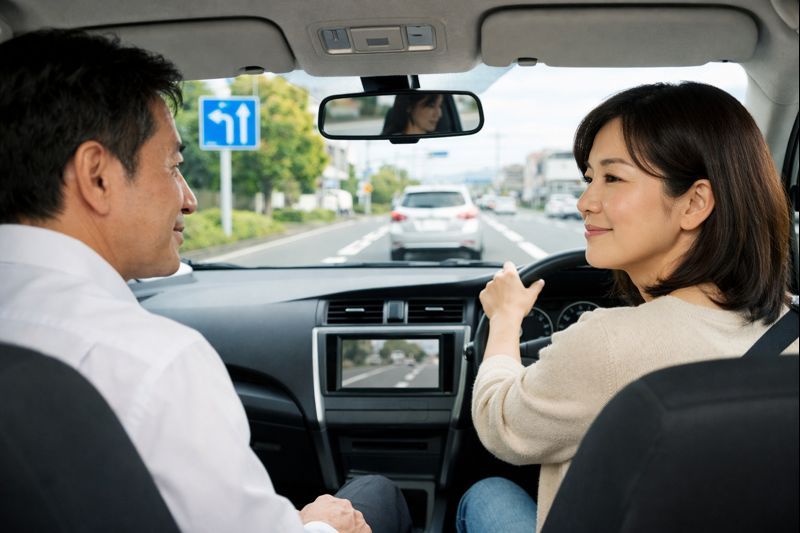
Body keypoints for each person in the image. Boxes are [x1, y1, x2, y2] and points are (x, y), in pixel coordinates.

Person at [0, 29, 411, 533]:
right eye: (173, 166)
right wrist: (325, 525)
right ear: (97, 176)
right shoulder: (154, 362)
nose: (189, 199)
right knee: (375, 496)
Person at [456, 82, 798, 533]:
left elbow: (502, 425)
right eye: (588, 178)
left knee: (483, 496)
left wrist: (504, 321)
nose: (584, 202)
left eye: (612, 178)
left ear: (694, 202)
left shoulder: (608, 343)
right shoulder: (791, 324)